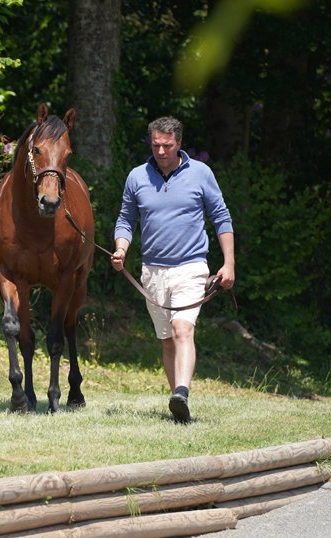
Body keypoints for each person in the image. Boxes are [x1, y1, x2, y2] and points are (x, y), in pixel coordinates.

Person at [110, 116, 235, 424]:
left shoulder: (201, 173)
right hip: (152, 271)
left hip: (191, 267)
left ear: (179, 143)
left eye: (167, 145)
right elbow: (126, 219)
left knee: (182, 329)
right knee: (166, 339)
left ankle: (182, 391)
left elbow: (221, 217)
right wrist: (121, 249)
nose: (161, 151)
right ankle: (178, 404)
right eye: (156, 145)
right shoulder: (137, 177)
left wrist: (229, 263)